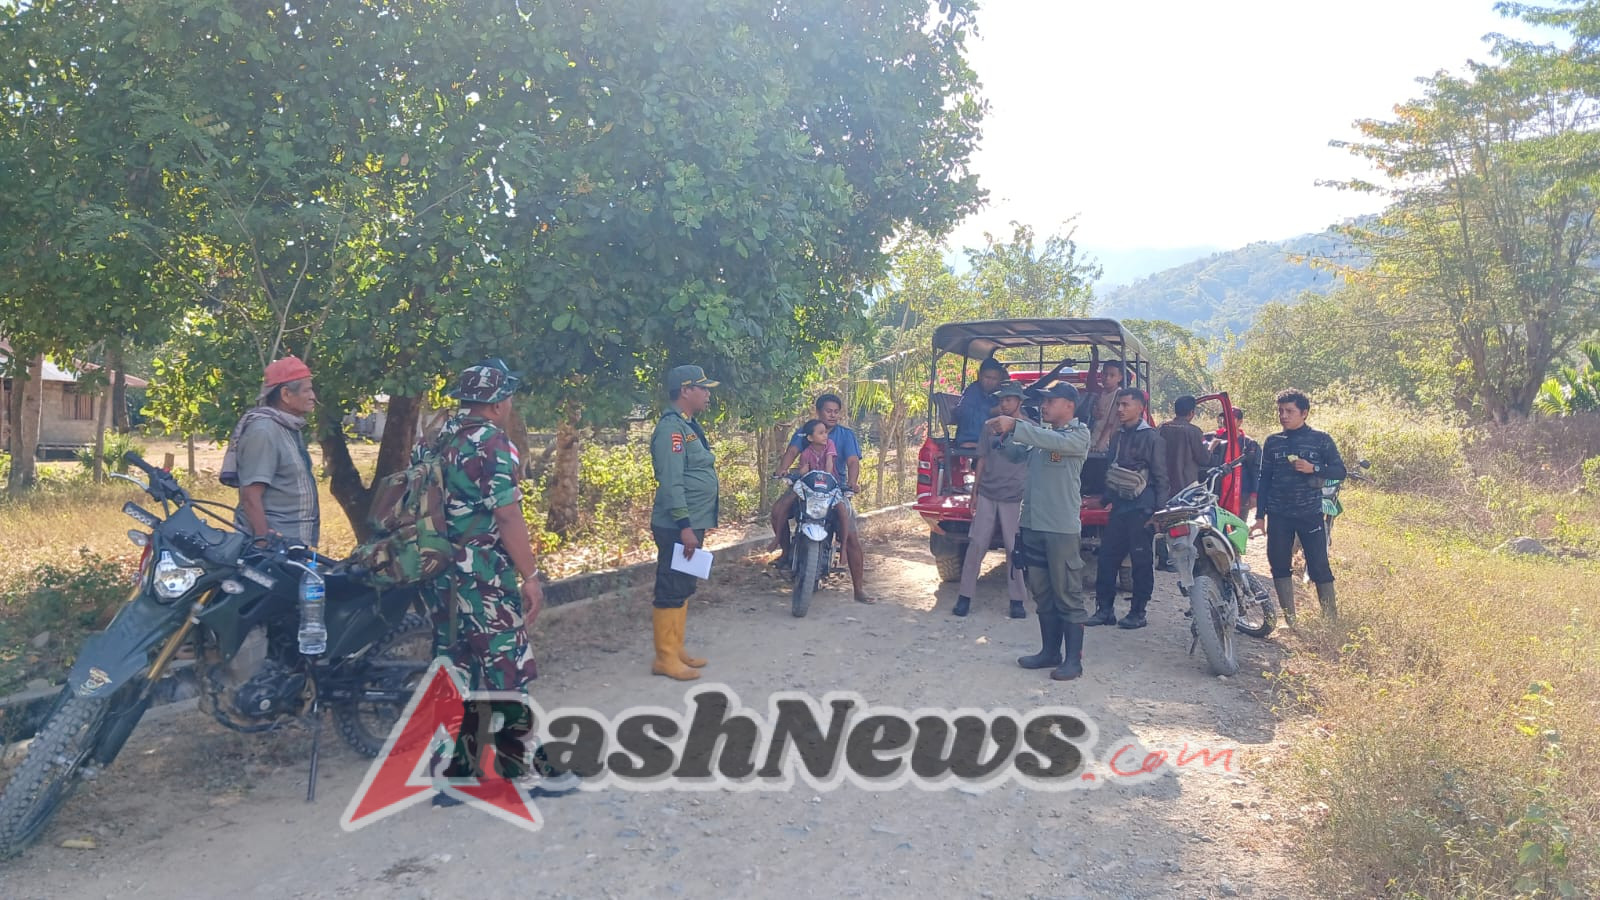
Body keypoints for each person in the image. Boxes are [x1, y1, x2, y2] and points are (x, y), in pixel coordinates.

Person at [423, 359, 576, 802]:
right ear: (497, 403)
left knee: (454, 670)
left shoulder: (435, 439)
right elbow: (507, 515)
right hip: (484, 578)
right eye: (507, 396)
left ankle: (452, 774)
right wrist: (531, 576)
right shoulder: (492, 443)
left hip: (440, 576)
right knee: (506, 670)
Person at [986, 382, 1093, 681]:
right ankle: (1050, 652)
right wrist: (1003, 435)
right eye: (1043, 402)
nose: (1044, 406)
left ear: (1069, 405)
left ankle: (1074, 661)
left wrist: (1016, 425)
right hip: (1033, 524)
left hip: (1060, 529)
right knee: (1043, 593)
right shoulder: (1041, 437)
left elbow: (1051, 441)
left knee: (1067, 594)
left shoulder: (1078, 435)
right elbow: (1016, 454)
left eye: (1050, 401)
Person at [1249, 390, 1346, 623]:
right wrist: (1260, 516)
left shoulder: (1321, 439)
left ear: (1304, 413)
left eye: (1289, 411)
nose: (1283, 416)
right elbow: (1264, 479)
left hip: (1309, 513)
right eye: (1280, 411)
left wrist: (1314, 468)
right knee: (1279, 565)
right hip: (1278, 515)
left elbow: (1339, 471)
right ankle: (1291, 620)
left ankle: (1330, 621)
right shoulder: (1273, 442)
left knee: (1319, 566)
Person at [649, 365, 721, 680]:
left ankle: (676, 649)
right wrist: (685, 526)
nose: (707, 394)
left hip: (691, 522)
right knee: (671, 585)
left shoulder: (687, 425)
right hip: (677, 525)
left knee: (684, 584)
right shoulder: (671, 429)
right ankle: (664, 658)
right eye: (702, 388)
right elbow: (671, 481)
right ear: (685, 390)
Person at [769, 393, 875, 604]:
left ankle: (858, 589)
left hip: (834, 488)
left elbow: (853, 461)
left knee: (852, 536)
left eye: (836, 412)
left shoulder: (845, 435)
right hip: (806, 486)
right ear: (818, 412)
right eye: (828, 411)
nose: (833, 415)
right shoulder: (805, 431)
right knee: (777, 510)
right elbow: (792, 451)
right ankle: (786, 552)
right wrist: (783, 469)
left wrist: (852, 482)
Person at [1089, 388, 1170, 629]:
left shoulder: (1153, 438)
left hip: (1142, 510)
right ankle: (1104, 611)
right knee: (1107, 559)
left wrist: (1159, 513)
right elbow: (1112, 472)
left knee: (1141, 562)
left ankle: (1138, 613)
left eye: (1125, 405)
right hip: (1119, 508)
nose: (1120, 409)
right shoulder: (1118, 436)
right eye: (1118, 405)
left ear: (1140, 408)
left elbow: (1161, 478)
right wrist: (1104, 501)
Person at [952, 383, 1030, 619]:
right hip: (988, 492)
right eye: (1001, 400)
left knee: (1014, 549)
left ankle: (1017, 600)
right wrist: (975, 491)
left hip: (1014, 496)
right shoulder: (989, 427)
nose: (1004, 404)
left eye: (1009, 399)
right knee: (976, 544)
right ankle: (964, 596)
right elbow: (982, 459)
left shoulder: (1030, 429)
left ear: (1019, 401)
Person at [227, 356, 321, 547]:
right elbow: (250, 496)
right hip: (275, 548)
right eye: (307, 390)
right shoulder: (264, 431)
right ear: (286, 394)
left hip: (292, 544)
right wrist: (265, 544)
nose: (313, 396)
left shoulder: (286, 426)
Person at [1156, 395, 1211, 571]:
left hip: (1163, 483)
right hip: (1186, 486)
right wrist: (1212, 446)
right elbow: (1204, 458)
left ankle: (1164, 560)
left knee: (1162, 521)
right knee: (1185, 523)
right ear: (1192, 412)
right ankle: (1182, 561)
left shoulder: (1162, 427)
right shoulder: (1194, 431)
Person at [1209, 409, 1262, 514]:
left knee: (1238, 522)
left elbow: (1256, 471)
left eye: (1231, 418)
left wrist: (1254, 494)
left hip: (1241, 493)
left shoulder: (1249, 444)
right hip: (1217, 492)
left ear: (1240, 421)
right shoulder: (1215, 439)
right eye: (1225, 417)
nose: (1226, 420)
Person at [952, 358, 1007, 456]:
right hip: (970, 439)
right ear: (979, 375)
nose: (990, 382)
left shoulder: (998, 395)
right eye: (987, 377)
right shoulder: (972, 392)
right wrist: (990, 411)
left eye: (994, 379)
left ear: (999, 380)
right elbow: (964, 414)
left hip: (990, 439)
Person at [1087, 361, 1125, 452]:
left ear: (1120, 378)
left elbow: (1111, 423)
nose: (1107, 378)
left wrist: (1101, 444)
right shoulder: (1100, 393)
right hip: (1092, 440)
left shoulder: (1120, 395)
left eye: (1112, 375)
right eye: (1105, 374)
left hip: (1106, 444)